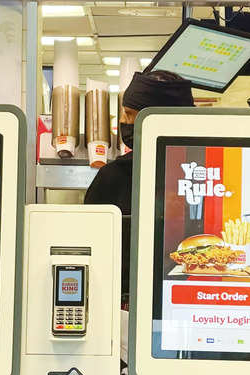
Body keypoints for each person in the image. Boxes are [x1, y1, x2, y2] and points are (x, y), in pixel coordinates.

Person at [84, 70, 195, 302]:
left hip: (188, 298)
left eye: (130, 114)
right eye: (124, 113)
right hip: (126, 302)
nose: (124, 122)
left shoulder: (204, 174)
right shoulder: (113, 177)